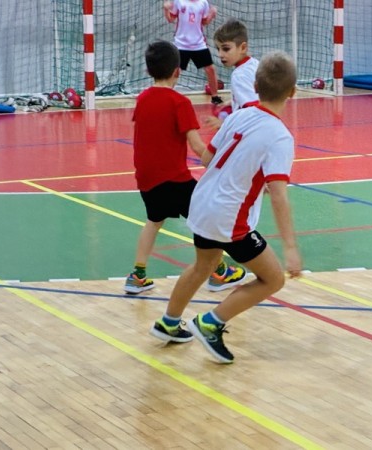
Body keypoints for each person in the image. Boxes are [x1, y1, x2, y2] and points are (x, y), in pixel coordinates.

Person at [150, 51, 302, 363]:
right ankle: (211, 323)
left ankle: (168, 322)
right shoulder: (279, 137)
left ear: (255, 87)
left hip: (203, 204)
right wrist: (290, 248)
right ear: (292, 92)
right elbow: (278, 194)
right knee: (273, 279)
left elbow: (208, 158)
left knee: (203, 266)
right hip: (229, 217)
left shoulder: (238, 116)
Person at [124, 40, 246, 294]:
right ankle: (219, 272)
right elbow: (197, 146)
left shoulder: (142, 99)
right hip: (174, 179)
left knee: (154, 221)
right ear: (178, 71)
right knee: (207, 219)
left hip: (146, 178)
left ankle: (137, 275)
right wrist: (220, 165)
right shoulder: (179, 103)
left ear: (148, 71)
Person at [163, 0, 223, 105]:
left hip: (198, 44)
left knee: (210, 69)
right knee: (175, 71)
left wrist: (211, 15)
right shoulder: (179, 2)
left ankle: (215, 97)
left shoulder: (203, 3)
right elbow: (170, 19)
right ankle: (165, 97)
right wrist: (166, 9)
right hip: (181, 44)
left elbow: (204, 22)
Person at [204, 18, 259, 130]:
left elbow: (252, 111)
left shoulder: (239, 75)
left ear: (243, 48)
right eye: (218, 49)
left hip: (251, 130)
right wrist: (234, 102)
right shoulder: (255, 64)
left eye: (226, 49)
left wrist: (224, 124)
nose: (220, 54)